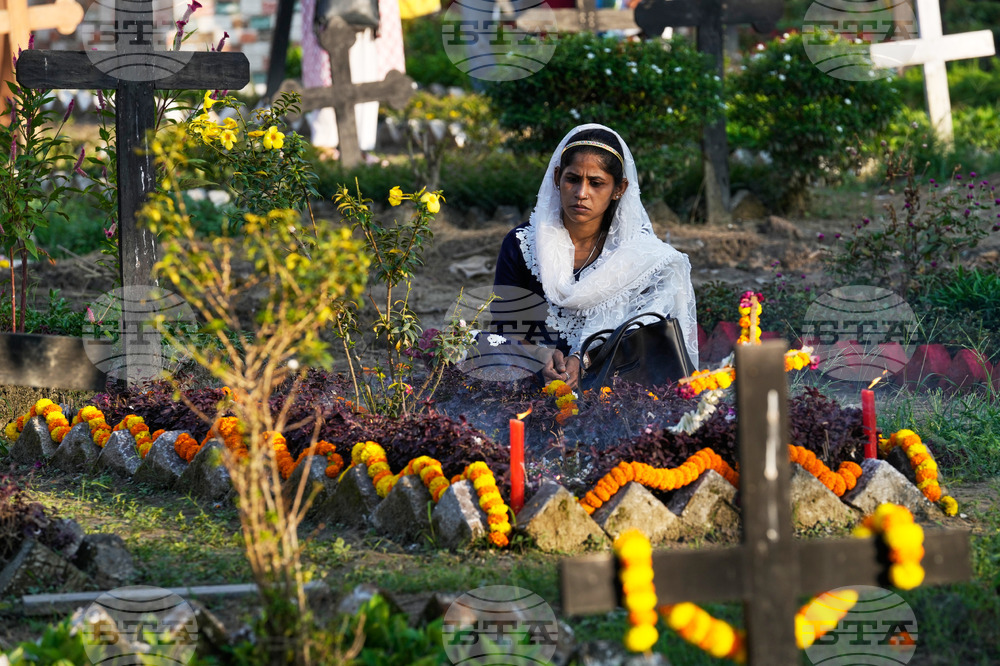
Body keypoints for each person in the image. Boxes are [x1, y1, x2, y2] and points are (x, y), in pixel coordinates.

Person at [492, 123, 698, 389]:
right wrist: (538, 354)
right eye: (572, 179)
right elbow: (502, 329)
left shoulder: (644, 260)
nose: (581, 193)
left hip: (617, 392)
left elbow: (649, 335)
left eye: (596, 183)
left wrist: (586, 359)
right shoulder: (523, 245)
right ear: (557, 177)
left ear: (619, 189)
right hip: (531, 386)